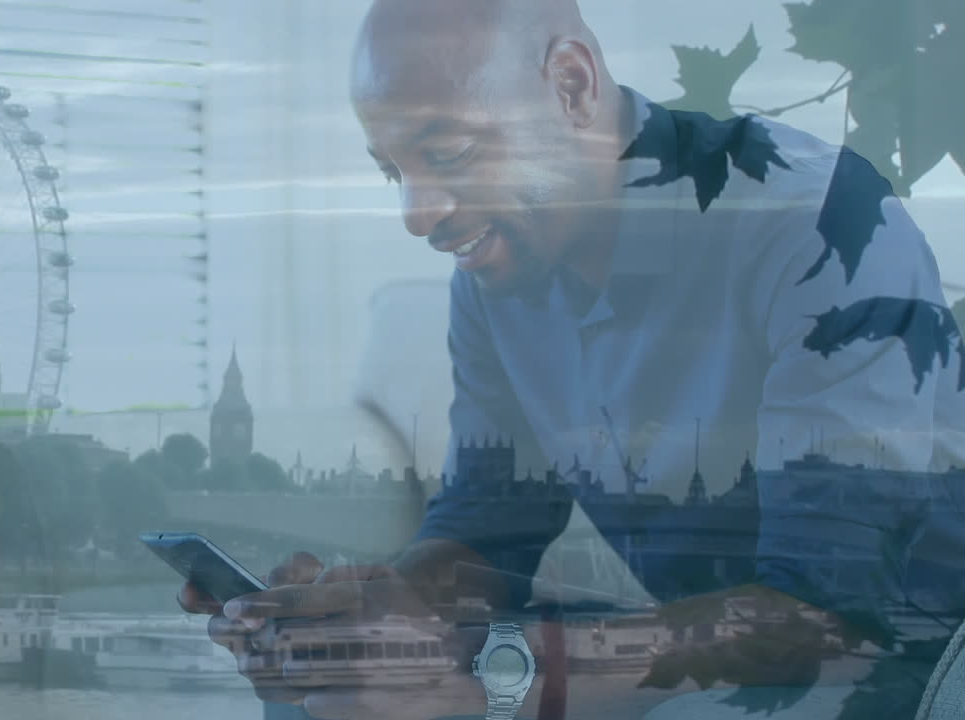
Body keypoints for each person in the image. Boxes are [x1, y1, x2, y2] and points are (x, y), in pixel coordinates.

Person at [181, 0, 965, 717]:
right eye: (394, 170)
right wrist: (384, 615)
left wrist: (501, 680)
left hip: (917, 664)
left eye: (448, 152)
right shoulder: (498, 272)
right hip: (724, 657)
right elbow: (490, 524)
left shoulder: (819, 218)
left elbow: (831, 609)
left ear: (571, 83)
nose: (417, 214)